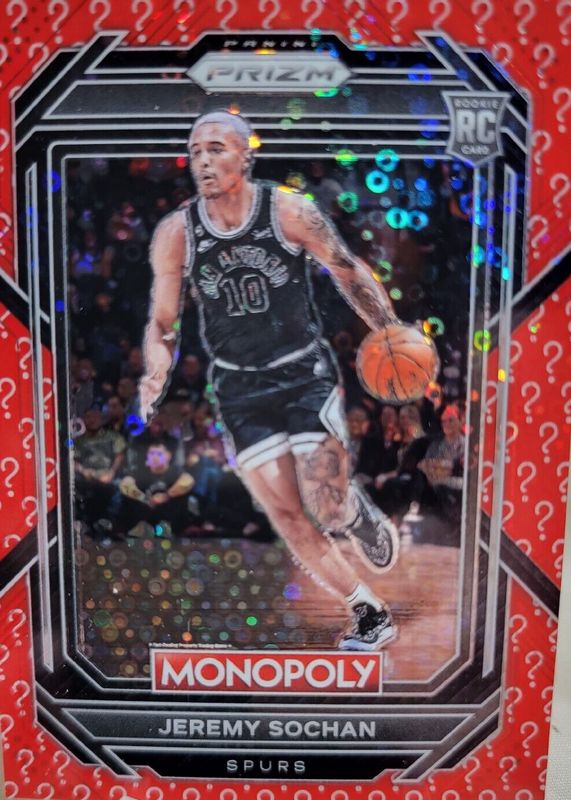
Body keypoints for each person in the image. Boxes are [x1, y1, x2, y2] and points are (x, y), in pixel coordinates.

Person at [139, 110, 403, 651]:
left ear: (245, 155)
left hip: (302, 373)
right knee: (286, 514)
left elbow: (346, 268)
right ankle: (368, 610)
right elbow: (163, 322)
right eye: (195, 151)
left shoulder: (289, 210)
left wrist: (390, 328)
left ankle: (354, 513)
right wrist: (156, 369)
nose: (203, 161)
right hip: (238, 388)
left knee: (326, 505)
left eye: (216, 149)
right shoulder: (176, 233)